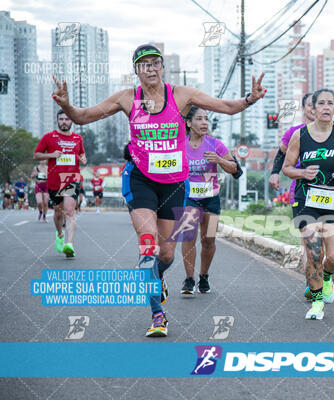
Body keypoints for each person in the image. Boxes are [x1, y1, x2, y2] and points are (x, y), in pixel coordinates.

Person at [51, 43, 265, 337]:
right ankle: (158, 315)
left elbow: (226, 106)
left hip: (175, 184)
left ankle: (157, 279)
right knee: (149, 249)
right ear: (136, 70)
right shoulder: (128, 98)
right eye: (144, 64)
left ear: (162, 67)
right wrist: (66, 106)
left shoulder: (182, 95)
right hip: (140, 180)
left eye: (155, 63)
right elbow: (83, 117)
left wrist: (250, 99)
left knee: (166, 255)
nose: (150, 68)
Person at [282, 89, 334, 320]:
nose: (326, 107)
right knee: (314, 250)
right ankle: (316, 303)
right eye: (321, 103)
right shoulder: (300, 136)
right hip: (307, 201)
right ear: (312, 108)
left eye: (331, 103)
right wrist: (302, 172)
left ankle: (326, 278)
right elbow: (287, 167)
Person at [179, 107, 238, 295]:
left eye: (206, 119)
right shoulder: (179, 145)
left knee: (208, 239)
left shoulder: (216, 145)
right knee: (189, 236)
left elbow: (234, 169)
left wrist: (219, 160)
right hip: (188, 198)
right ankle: (189, 279)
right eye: (199, 119)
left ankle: (204, 277)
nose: (204, 122)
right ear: (188, 123)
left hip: (211, 199)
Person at [270, 95, 334, 206]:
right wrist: (275, 173)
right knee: (305, 221)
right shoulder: (294, 132)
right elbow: (282, 152)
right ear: (303, 108)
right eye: (310, 105)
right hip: (303, 188)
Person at [34, 110, 86, 257]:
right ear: (57, 121)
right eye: (61, 119)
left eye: (67, 119)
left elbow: (82, 154)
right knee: (58, 212)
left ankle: (69, 244)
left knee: (69, 211)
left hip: (71, 177)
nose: (64, 122)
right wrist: (51, 155)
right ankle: (59, 234)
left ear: (72, 121)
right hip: (54, 179)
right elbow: (36, 155)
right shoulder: (49, 137)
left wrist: (83, 159)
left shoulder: (77, 138)